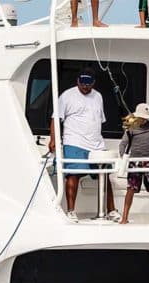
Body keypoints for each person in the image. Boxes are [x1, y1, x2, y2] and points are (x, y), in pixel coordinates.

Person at [49, 70, 120, 222]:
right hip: (74, 142)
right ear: (77, 81)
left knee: (105, 176)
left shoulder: (98, 96)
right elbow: (56, 119)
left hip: (96, 144)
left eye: (88, 84)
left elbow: (98, 120)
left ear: (93, 83)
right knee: (73, 174)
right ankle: (71, 211)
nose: (85, 87)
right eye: (82, 84)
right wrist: (53, 139)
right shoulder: (67, 95)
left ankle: (112, 210)